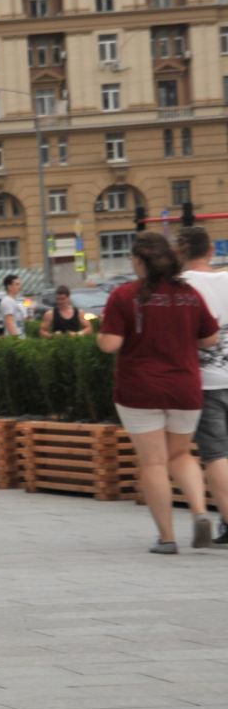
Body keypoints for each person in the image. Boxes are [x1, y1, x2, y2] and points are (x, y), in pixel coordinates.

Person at [101, 232, 219, 553]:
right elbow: (209, 339)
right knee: (181, 454)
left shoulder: (124, 296)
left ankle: (167, 538)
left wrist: (104, 334)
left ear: (139, 261)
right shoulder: (189, 294)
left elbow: (110, 344)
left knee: (153, 463)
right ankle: (199, 513)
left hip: (140, 389)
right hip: (185, 387)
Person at [174, 228, 228, 546]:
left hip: (205, 381)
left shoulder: (182, 287)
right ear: (210, 249)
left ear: (181, 253)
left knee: (217, 454)